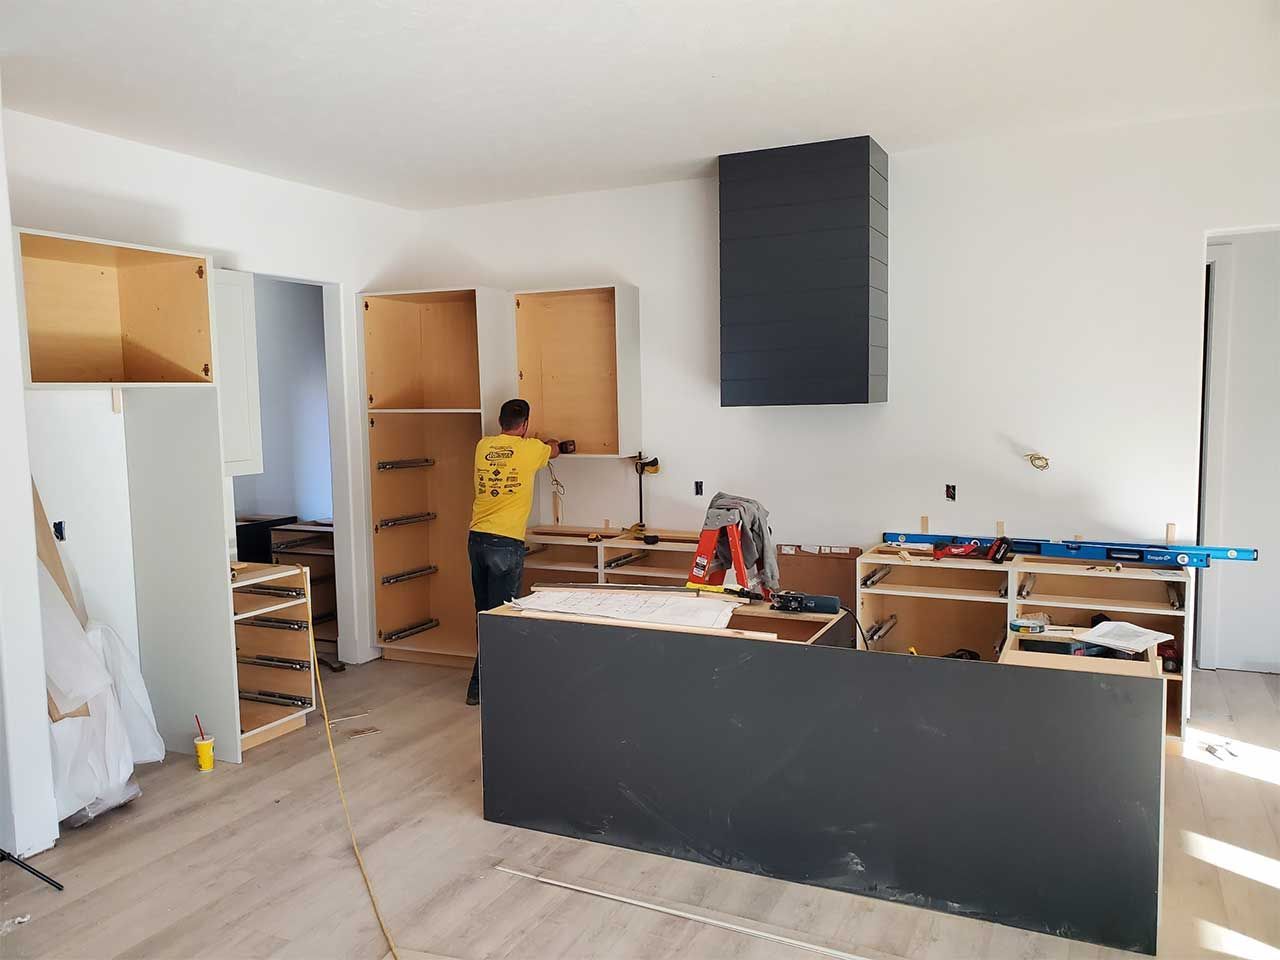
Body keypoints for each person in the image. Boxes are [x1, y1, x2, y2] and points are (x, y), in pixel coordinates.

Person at [466, 398, 559, 704]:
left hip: (477, 540)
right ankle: (488, 688)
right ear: (525, 425)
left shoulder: (483, 446)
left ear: (500, 422)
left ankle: (481, 687)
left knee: (485, 614)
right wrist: (547, 441)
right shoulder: (531, 449)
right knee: (502, 617)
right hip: (505, 543)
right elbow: (555, 449)